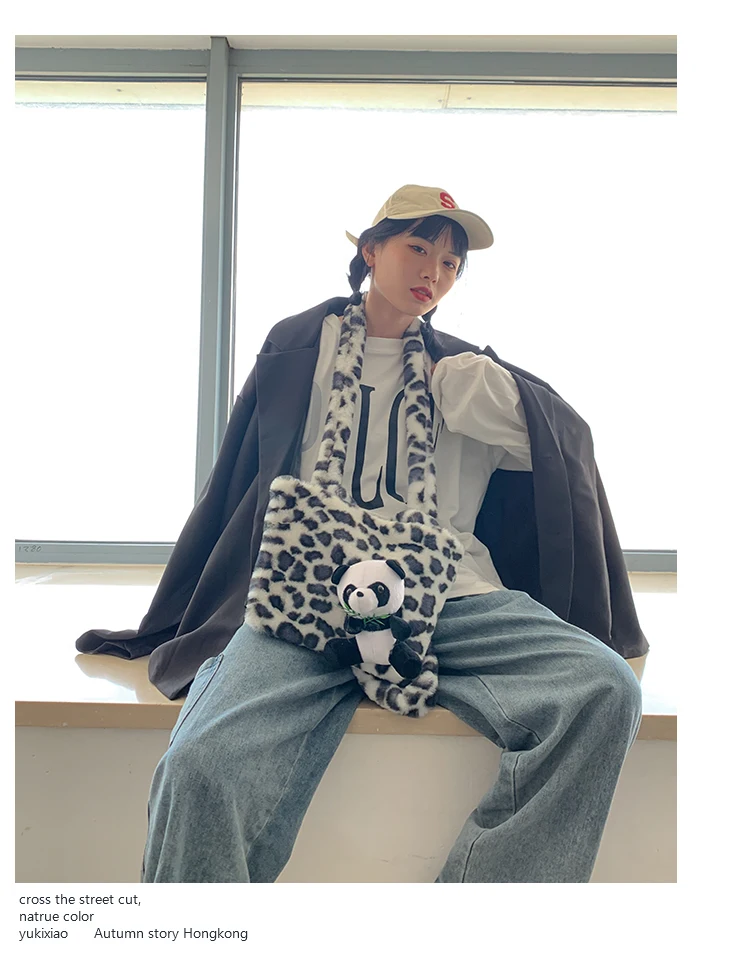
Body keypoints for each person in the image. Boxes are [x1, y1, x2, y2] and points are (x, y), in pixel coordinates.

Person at [133, 183, 645, 882]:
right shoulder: (299, 348)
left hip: (448, 593)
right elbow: (238, 479)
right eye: (418, 248)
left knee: (603, 689)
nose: (434, 271)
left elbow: (562, 451)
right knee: (197, 764)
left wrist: (479, 385)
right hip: (306, 593)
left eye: (451, 263)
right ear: (372, 250)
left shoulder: (465, 373)